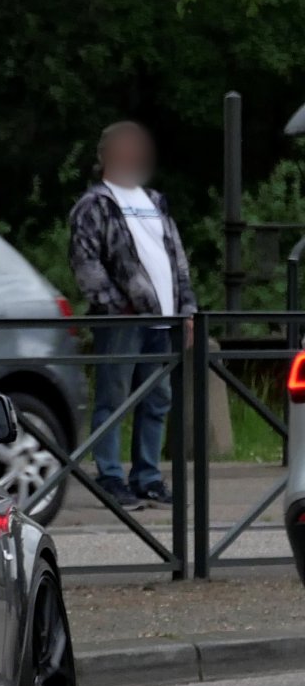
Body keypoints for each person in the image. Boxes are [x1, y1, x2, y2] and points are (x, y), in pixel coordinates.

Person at [69, 121, 197, 509]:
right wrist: (113, 305)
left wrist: (188, 309)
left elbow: (177, 260)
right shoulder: (95, 205)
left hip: (165, 320)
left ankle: (148, 476)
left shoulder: (155, 202)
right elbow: (84, 262)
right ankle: (109, 475)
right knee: (114, 397)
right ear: (106, 156)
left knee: (157, 399)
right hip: (123, 321)